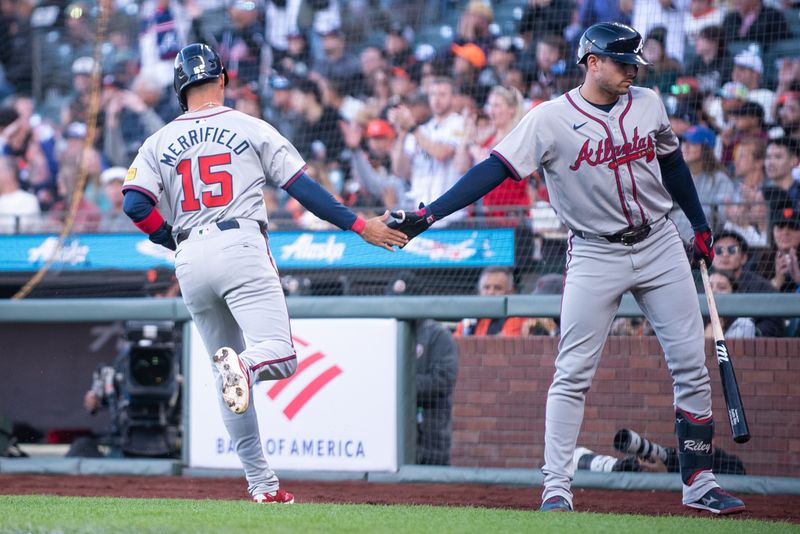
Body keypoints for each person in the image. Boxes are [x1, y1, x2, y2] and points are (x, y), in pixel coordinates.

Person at [387, 22, 746, 515]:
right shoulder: (549, 119)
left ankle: (699, 482)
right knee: (572, 373)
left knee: (690, 364)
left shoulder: (647, 102)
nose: (631, 71)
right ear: (591, 61)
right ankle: (556, 487)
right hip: (596, 252)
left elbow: (674, 163)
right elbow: (493, 170)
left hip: (660, 240)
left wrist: (699, 224)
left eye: (635, 63)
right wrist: (429, 215)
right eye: (622, 62)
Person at [121, 43, 407, 504]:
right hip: (240, 243)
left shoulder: (158, 140)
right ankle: (248, 367)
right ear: (222, 79)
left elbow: (134, 203)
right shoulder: (249, 126)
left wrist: (169, 238)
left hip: (191, 257)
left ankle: (261, 485)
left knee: (226, 377)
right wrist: (358, 225)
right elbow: (303, 189)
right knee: (277, 356)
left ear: (179, 88)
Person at [711, 229, 784, 337]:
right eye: (718, 250)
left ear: (743, 258)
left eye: (732, 250)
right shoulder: (702, 283)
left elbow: (775, 322)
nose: (725, 254)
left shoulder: (761, 287)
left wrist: (754, 334)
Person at [670, 125, 736, 242]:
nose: (686, 147)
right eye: (684, 142)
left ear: (706, 149)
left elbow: (723, 216)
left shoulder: (720, 179)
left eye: (693, 143)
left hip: (709, 243)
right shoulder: (676, 176)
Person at [414, 318, 459, 465]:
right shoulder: (387, 332)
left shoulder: (438, 335)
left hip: (431, 438)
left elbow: (443, 379)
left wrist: (403, 385)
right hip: (391, 441)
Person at [455, 267, 528, 337]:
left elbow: (501, 344)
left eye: (497, 288)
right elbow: (456, 341)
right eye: (486, 287)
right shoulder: (471, 317)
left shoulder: (516, 316)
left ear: (511, 292)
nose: (491, 292)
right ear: (479, 291)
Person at [705, 270, 759, 338]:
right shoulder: (697, 319)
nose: (714, 291)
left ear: (734, 294)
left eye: (721, 287)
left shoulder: (744, 324)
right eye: (709, 287)